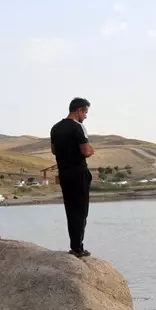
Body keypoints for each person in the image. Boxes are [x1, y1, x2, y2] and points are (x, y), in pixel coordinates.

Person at [50, 97, 94, 257]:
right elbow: (85, 151)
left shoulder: (55, 128)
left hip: (64, 174)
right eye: (85, 112)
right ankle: (78, 248)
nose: (86, 116)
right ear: (79, 110)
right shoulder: (79, 127)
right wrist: (91, 151)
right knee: (81, 211)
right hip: (78, 172)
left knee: (70, 210)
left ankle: (74, 245)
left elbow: (54, 150)